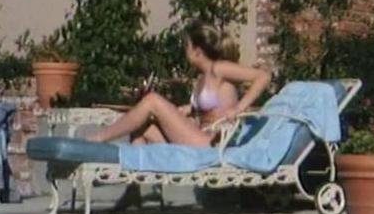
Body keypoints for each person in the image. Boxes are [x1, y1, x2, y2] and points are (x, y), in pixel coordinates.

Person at [87, 21, 271, 147]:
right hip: (198, 135)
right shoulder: (203, 76)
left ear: (198, 51)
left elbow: (263, 77)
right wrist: (189, 109)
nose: (185, 51)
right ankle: (136, 188)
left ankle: (99, 138)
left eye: (187, 47)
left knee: (152, 100)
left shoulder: (219, 68)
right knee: (140, 127)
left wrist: (239, 108)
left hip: (210, 143)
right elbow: (211, 107)